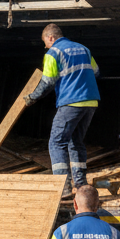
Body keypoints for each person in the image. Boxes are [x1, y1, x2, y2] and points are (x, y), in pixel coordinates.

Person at [24, 23, 99, 190]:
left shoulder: (54, 52)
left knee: (56, 143)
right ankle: (80, 185)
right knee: (76, 142)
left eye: (45, 42)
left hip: (70, 102)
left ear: (51, 38)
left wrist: (32, 97)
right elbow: (96, 72)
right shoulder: (84, 49)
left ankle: (62, 187)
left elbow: (47, 82)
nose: (45, 46)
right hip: (91, 102)